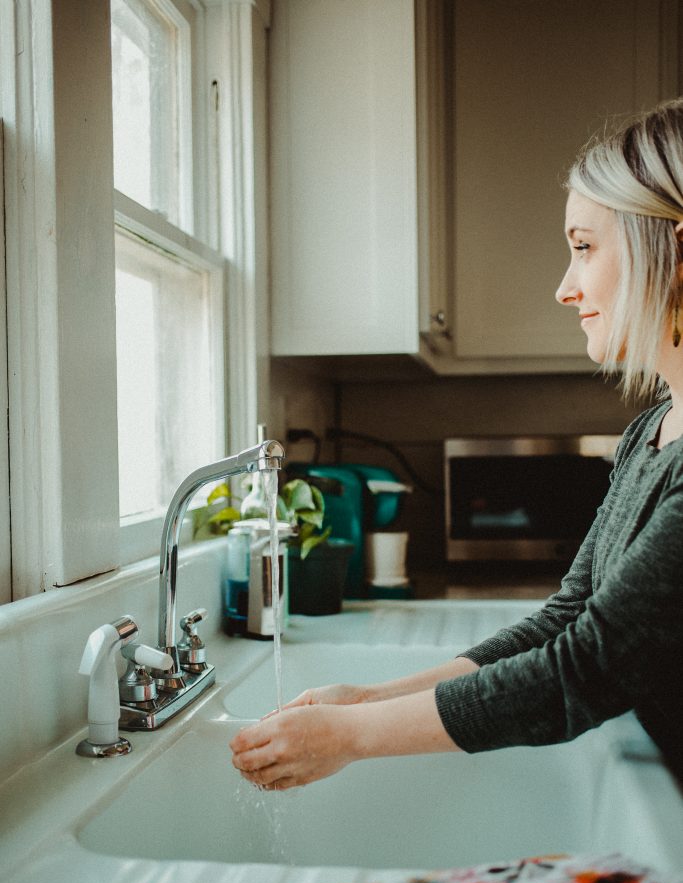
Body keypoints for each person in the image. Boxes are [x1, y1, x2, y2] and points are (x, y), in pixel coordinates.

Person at [230, 98, 683, 789]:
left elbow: (587, 669)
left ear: (674, 247)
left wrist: (349, 737)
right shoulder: (647, 433)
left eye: (583, 247)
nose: (564, 288)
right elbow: (565, 621)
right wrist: (370, 700)